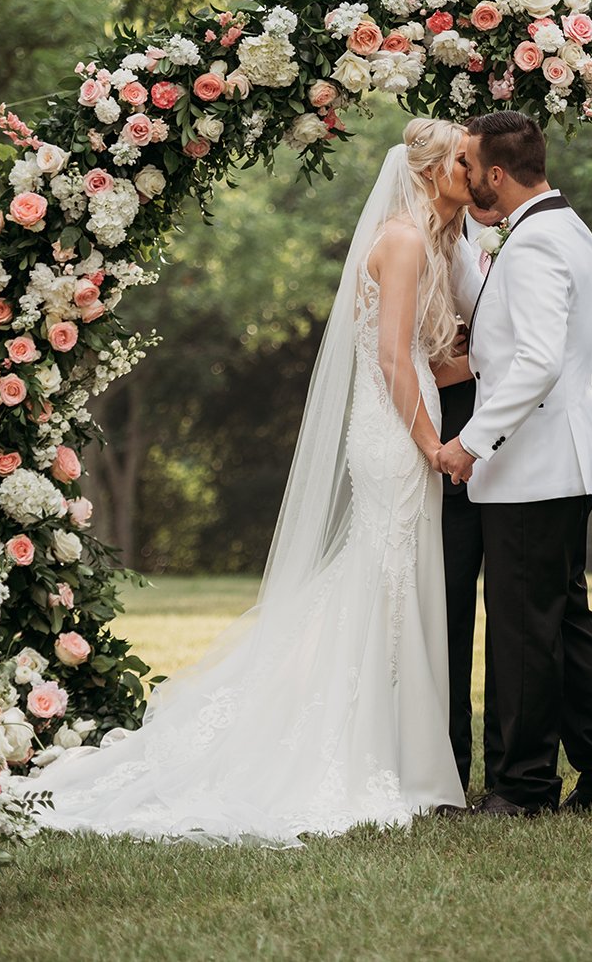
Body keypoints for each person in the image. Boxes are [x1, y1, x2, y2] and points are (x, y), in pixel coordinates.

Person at [34, 119, 476, 844]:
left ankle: (394, 745)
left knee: (388, 580)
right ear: (430, 169)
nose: (473, 167)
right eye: (463, 158)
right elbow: (395, 363)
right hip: (394, 431)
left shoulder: (433, 241)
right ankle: (341, 742)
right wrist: (432, 443)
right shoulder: (400, 240)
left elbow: (431, 361)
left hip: (407, 415)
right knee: (383, 578)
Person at [437, 111, 592, 817]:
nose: (463, 178)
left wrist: (469, 442)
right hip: (565, 460)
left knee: (524, 630)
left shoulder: (535, 247)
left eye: (467, 166)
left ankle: (523, 787)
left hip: (531, 464)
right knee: (566, 621)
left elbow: (536, 361)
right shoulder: (562, 230)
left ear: (496, 174)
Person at [439, 204, 504, 796]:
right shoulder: (415, 247)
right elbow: (415, 365)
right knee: (450, 615)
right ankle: (451, 767)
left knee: (514, 621)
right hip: (446, 453)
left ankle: (511, 769)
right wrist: (484, 356)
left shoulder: (487, 239)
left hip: (507, 457)